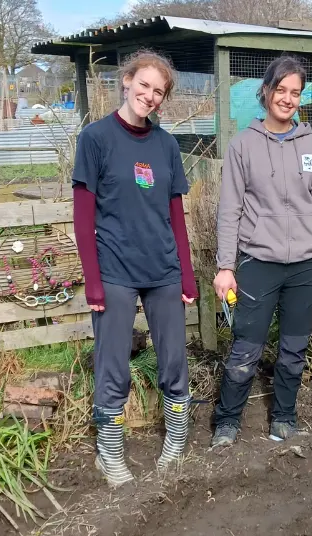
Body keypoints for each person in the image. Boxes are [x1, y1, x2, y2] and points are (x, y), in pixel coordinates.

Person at [72, 50, 199, 486]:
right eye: (143, 84)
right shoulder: (95, 138)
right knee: (113, 364)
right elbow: (82, 217)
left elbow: (176, 216)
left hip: (162, 268)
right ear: (126, 81)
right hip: (114, 270)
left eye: (158, 91)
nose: (149, 95)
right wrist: (93, 282)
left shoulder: (166, 144)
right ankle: (109, 453)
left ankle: (177, 439)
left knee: (173, 359)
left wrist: (186, 274)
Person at [210, 55, 312, 447]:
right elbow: (229, 209)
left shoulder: (311, 145)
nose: (287, 99)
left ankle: (284, 416)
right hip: (257, 264)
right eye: (280, 90)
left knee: (294, 348)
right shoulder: (243, 145)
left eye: (295, 92)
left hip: (304, 266)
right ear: (266, 92)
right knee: (246, 346)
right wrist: (225, 266)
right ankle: (227, 421)